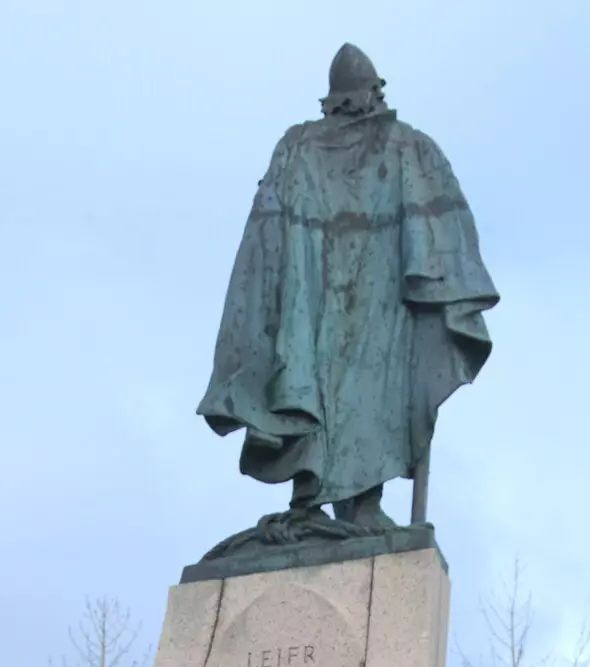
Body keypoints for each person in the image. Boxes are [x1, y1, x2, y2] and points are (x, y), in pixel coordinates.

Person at [198, 44, 498, 539]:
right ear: (375, 93)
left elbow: (437, 221)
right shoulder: (391, 145)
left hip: (352, 298)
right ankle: (323, 504)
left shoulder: (395, 146)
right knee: (327, 388)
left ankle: (354, 505)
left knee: (340, 390)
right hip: (332, 297)